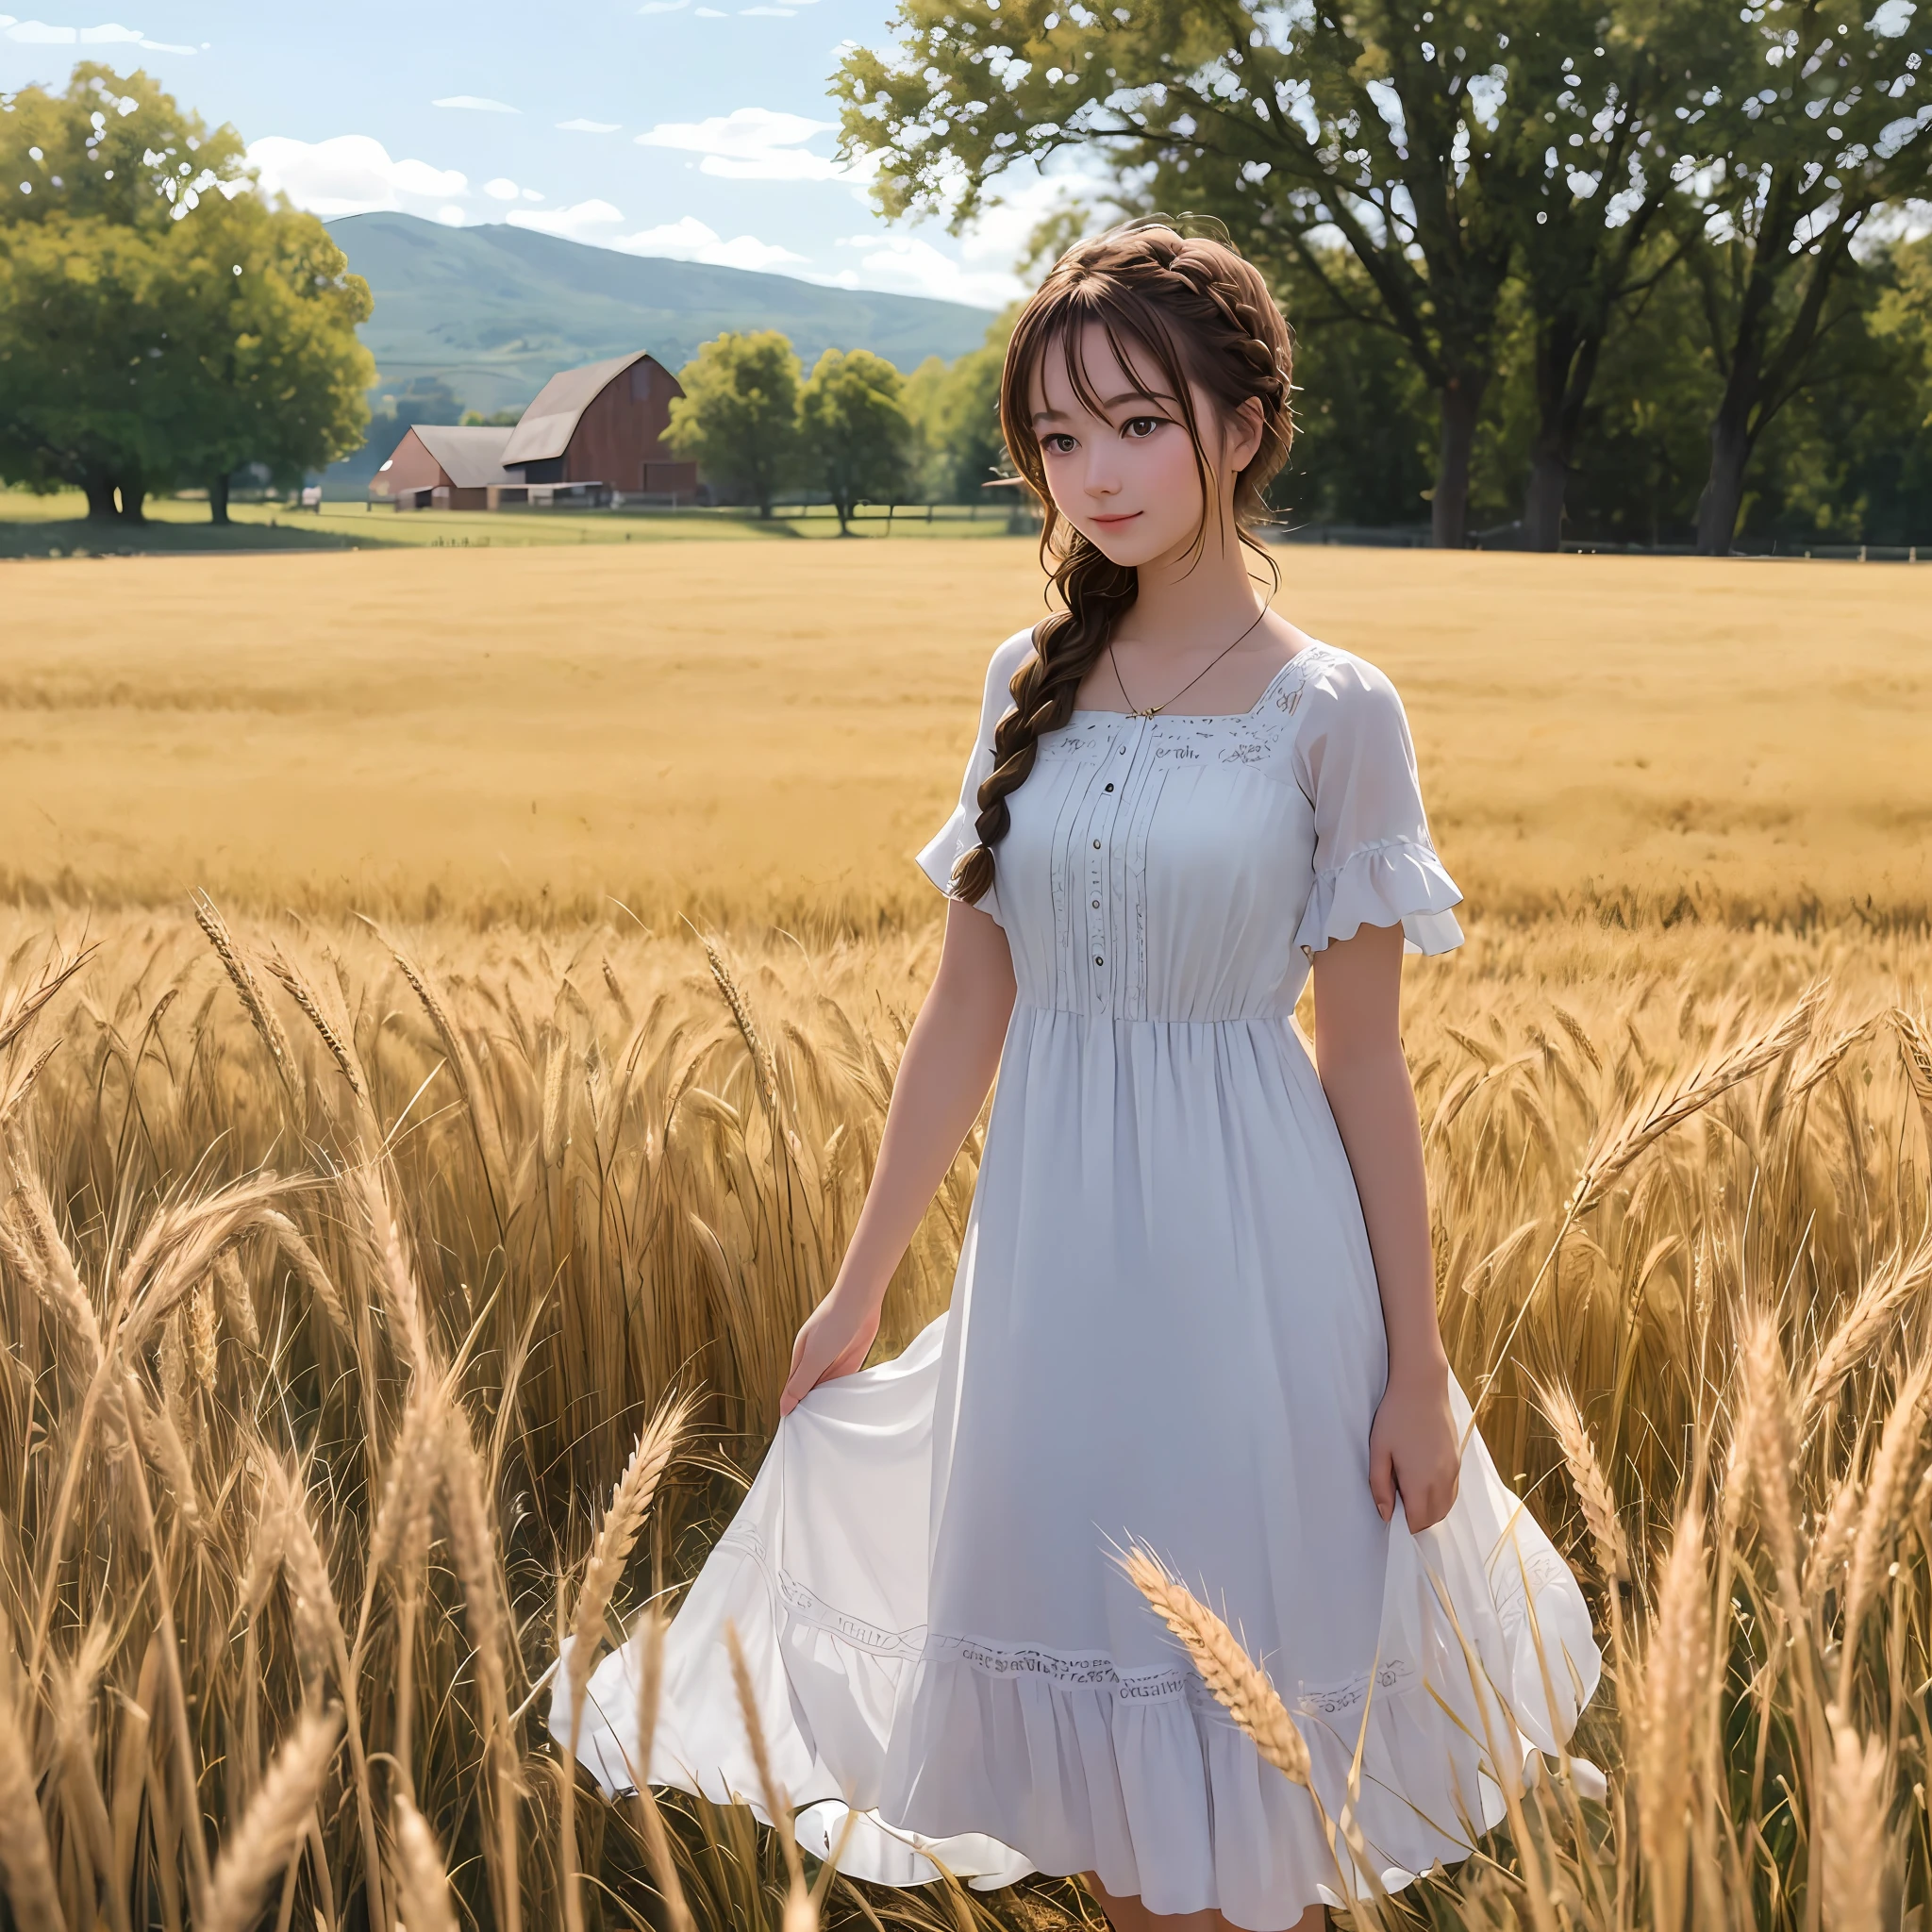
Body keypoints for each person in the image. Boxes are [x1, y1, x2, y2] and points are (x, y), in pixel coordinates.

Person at [555, 221, 1601, 1931]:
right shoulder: (1024, 681)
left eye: (1135, 422)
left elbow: (1368, 1074)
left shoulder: (1337, 710)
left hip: (1256, 1274)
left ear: (1243, 426)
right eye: (1056, 437)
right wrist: (858, 1282)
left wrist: (1420, 1371)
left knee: (1253, 1799)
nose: (1092, 473)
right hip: (1051, 1284)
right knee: (1111, 1820)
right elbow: (966, 1005)